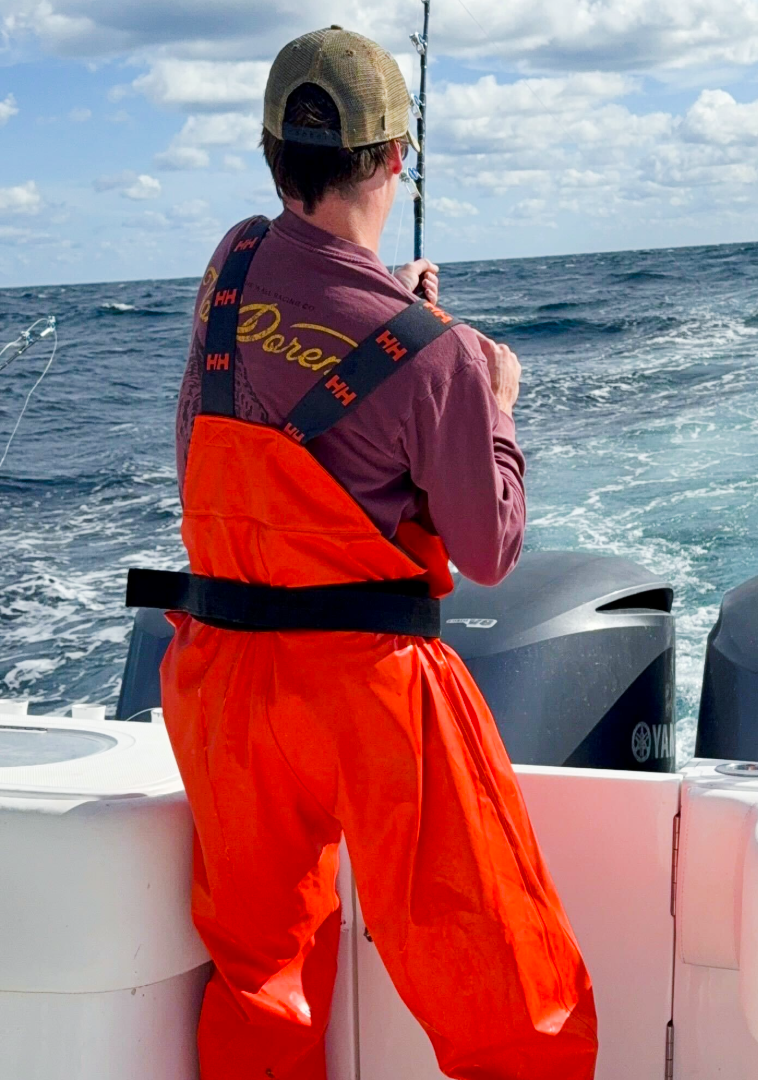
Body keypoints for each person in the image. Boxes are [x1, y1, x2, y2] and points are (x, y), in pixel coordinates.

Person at [153, 25, 598, 1080]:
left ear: (273, 159)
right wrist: (492, 403)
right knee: (509, 992)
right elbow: (488, 548)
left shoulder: (232, 263)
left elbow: (302, 323)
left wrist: (397, 310)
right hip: (370, 695)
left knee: (263, 980)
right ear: (396, 158)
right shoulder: (437, 360)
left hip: (220, 681)